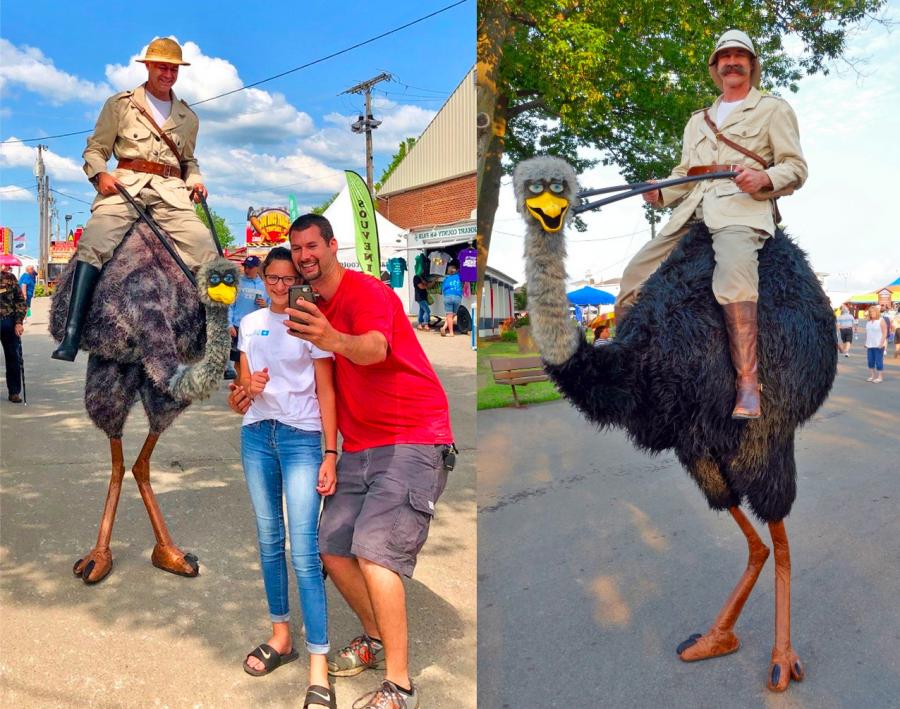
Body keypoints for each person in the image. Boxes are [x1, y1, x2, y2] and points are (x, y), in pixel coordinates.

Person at [230, 214, 454, 709]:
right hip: (359, 445)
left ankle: (400, 686)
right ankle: (374, 640)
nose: (304, 256)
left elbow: (375, 348)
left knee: (374, 549)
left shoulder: (369, 292)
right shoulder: (308, 308)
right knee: (330, 545)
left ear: (332, 246)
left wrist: (332, 340)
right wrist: (248, 392)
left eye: (312, 247)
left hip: (413, 437)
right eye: (296, 250)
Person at [615, 29, 807, 419]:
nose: (731, 61)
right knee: (635, 273)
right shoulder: (696, 121)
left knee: (734, 275)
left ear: (752, 64)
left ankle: (748, 383)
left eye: (740, 55)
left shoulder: (774, 109)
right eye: (724, 56)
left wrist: (765, 179)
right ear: (715, 67)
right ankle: (627, 367)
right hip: (692, 210)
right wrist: (659, 192)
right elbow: (683, 174)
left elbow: (795, 167)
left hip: (740, 208)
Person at [52, 37, 218, 362]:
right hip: (127, 181)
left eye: (173, 69)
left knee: (207, 252)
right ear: (148, 66)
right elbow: (95, 149)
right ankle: (72, 334)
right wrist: (101, 173)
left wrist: (195, 180)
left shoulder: (188, 117)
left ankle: (217, 344)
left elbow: (189, 161)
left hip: (171, 188)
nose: (167, 74)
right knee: (95, 240)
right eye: (161, 67)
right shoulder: (120, 105)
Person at [236, 247, 338, 708]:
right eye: (272, 278)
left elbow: (326, 390)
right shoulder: (250, 325)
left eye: (287, 278)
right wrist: (246, 391)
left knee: (304, 550)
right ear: (261, 279)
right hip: (257, 436)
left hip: (301, 439)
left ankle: (319, 663)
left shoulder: (310, 323)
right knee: (268, 541)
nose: (279, 286)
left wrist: (330, 453)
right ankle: (282, 637)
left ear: (299, 279)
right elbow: (237, 399)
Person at [227, 255, 269, 379]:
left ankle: (251, 390)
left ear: (257, 268)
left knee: (256, 361)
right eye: (245, 266)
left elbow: (273, 307)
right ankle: (240, 391)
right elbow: (229, 305)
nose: (246, 270)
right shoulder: (237, 284)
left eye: (250, 267)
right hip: (238, 327)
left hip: (257, 329)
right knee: (238, 363)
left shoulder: (265, 286)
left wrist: (266, 305)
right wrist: (229, 324)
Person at [1, 264, 27, 403]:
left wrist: (18, 322)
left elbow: (20, 301)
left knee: (13, 358)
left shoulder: (9, 278)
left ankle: (14, 392)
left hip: (8, 323)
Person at [864, 305, 887, 383]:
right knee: (870, 361)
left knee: (878, 361)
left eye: (873, 312)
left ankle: (880, 377)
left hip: (878, 344)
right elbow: (868, 333)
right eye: (870, 312)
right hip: (870, 344)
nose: (871, 313)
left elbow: (885, 333)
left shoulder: (881, 320)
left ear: (877, 312)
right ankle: (872, 376)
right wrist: (866, 342)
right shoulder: (869, 322)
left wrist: (881, 343)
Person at [440, 262, 463, 337]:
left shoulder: (446, 279)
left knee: (449, 315)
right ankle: (447, 329)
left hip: (448, 296)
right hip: (457, 297)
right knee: (453, 315)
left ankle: (448, 330)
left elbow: (442, 290)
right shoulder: (459, 276)